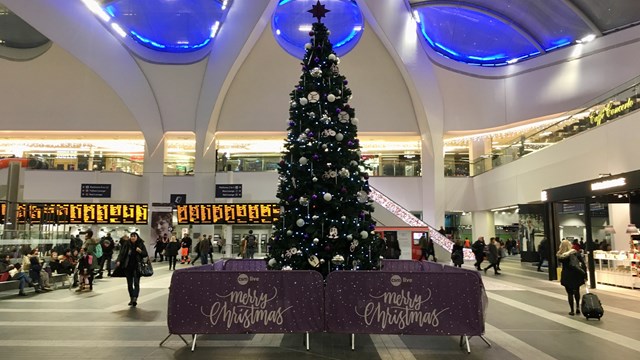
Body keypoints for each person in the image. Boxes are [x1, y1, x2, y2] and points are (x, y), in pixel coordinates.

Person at [115, 232, 148, 307]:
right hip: (128, 266)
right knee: (129, 284)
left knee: (136, 283)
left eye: (134, 236)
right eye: (131, 236)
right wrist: (118, 260)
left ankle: (135, 298)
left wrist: (140, 251)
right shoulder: (126, 244)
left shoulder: (140, 244)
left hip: (137, 267)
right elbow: (122, 253)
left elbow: (145, 254)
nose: (133, 238)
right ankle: (131, 298)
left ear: (137, 237)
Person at [557, 239, 587, 316]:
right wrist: (584, 274)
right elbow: (583, 263)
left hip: (567, 275)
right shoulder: (575, 253)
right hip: (576, 273)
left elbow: (560, 262)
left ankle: (572, 310)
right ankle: (577, 307)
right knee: (577, 290)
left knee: (570, 293)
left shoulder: (561, 256)